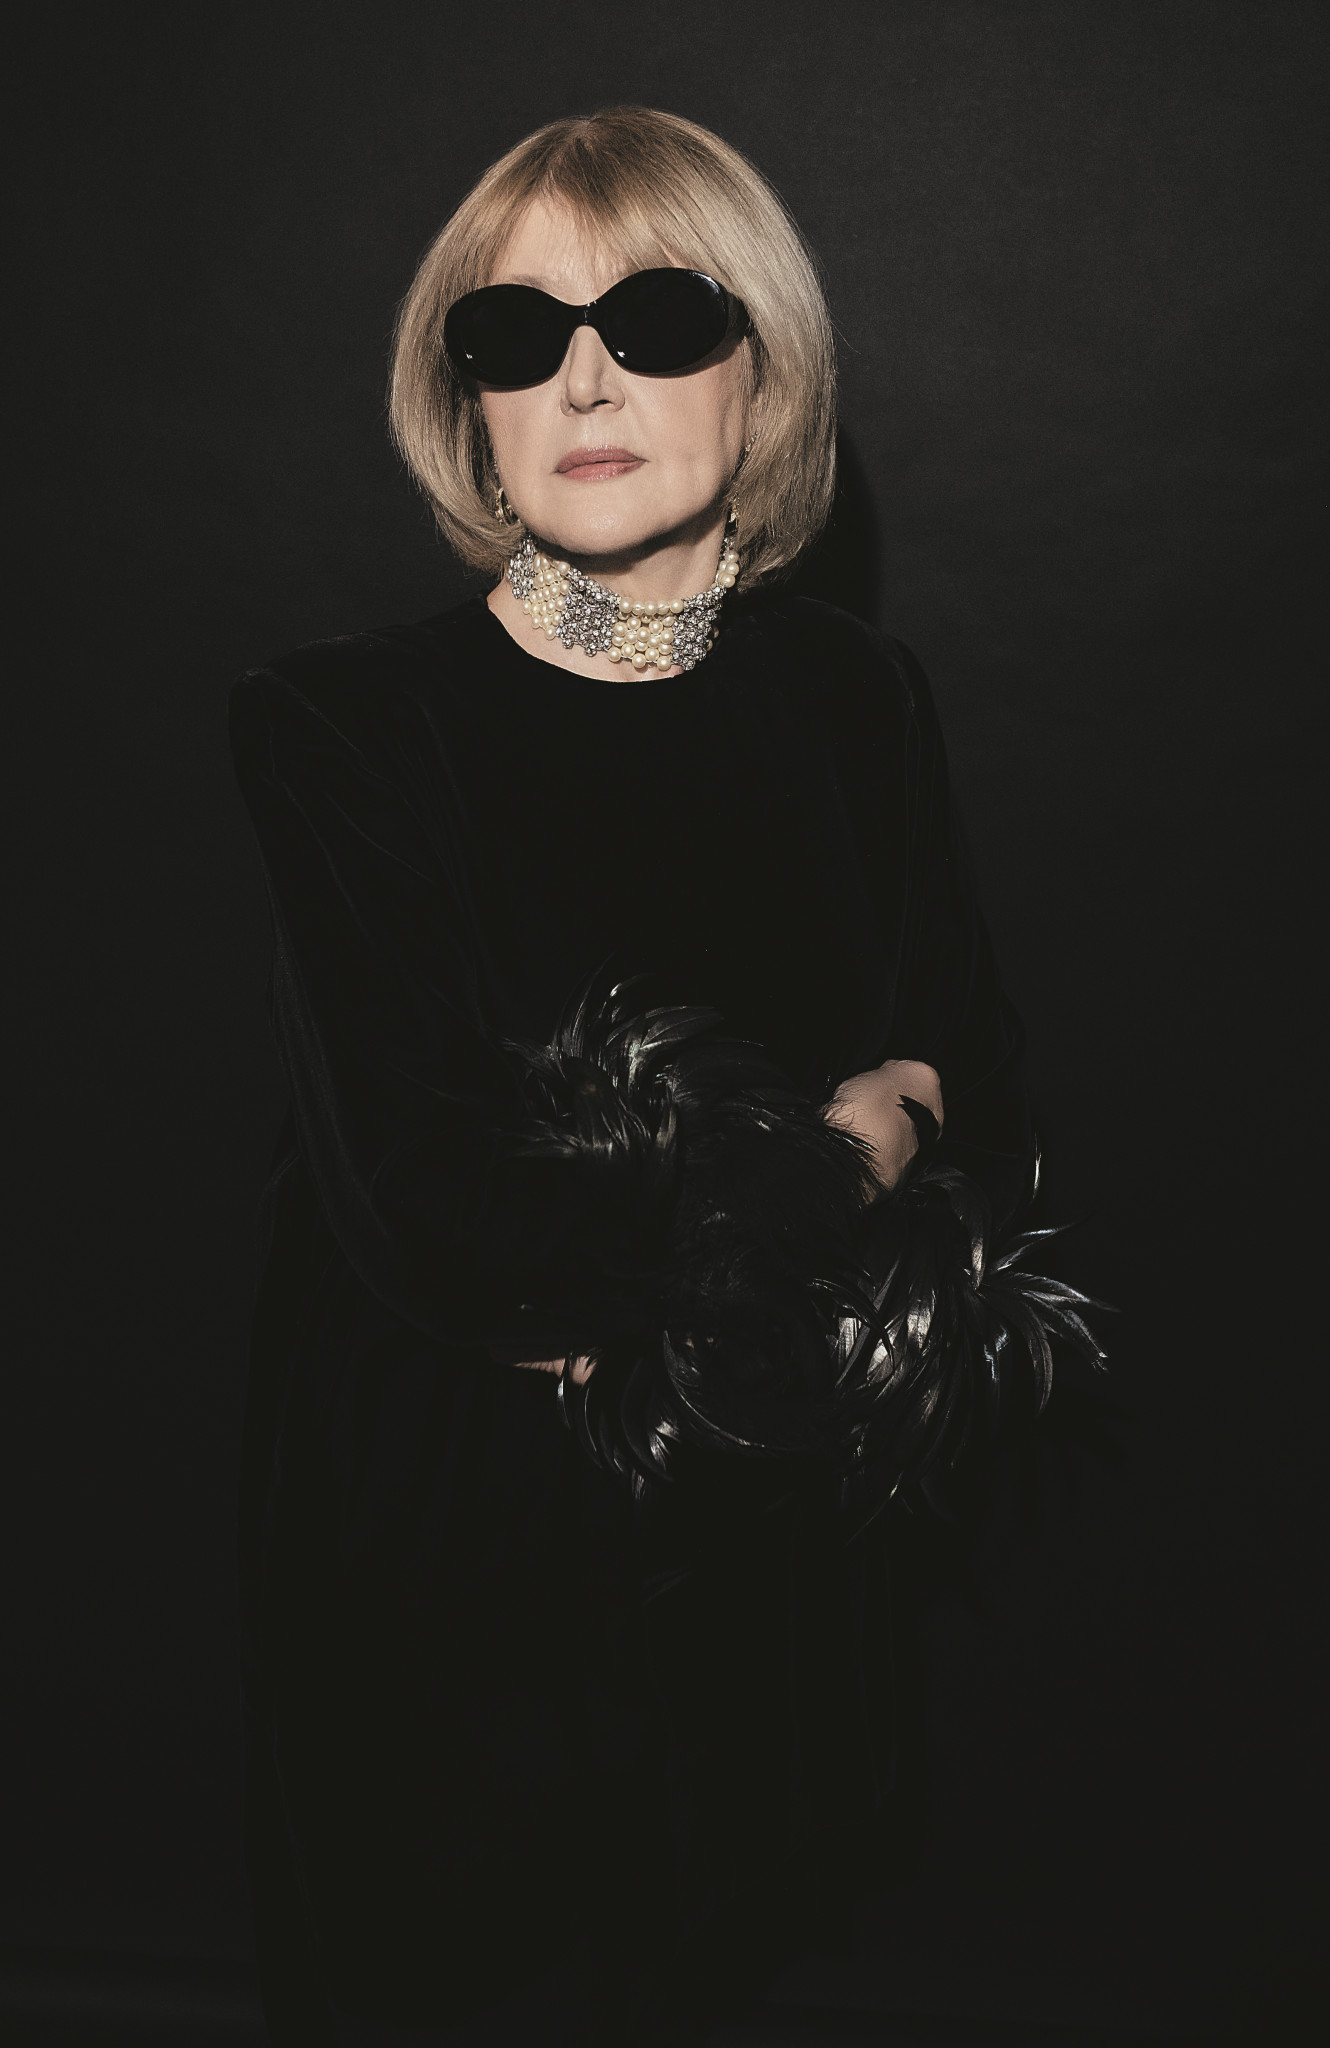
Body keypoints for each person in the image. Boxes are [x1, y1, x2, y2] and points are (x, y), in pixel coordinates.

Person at [230, 106, 1039, 2047]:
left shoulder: (852, 696)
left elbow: (986, 1092)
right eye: (513, 335)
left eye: (656, 317)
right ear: (470, 404)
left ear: (762, 370)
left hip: (761, 1540)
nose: (582, 377)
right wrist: (846, 1152)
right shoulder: (341, 726)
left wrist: (695, 1225)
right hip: (445, 1556)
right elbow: (442, 1215)